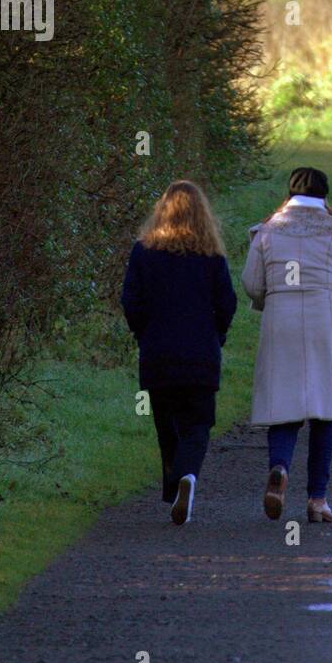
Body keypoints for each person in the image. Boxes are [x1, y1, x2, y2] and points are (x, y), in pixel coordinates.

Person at [243, 167, 332, 524]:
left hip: (281, 320)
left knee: (283, 404)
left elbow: (251, 282)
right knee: (325, 411)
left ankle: (279, 467)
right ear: (325, 196)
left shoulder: (268, 231)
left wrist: (270, 297)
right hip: (327, 321)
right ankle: (317, 500)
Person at [122, 180, 237, 526]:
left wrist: (145, 334)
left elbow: (131, 302)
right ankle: (187, 477)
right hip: (200, 355)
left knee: (166, 425)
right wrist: (217, 334)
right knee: (198, 424)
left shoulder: (143, 253)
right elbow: (227, 303)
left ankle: (174, 489)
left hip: (158, 355)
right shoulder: (211, 257)